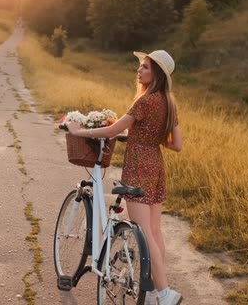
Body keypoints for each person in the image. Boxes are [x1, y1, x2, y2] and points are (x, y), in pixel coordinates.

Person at [66, 50, 183, 305]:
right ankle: (154, 291)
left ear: (157, 74)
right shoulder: (168, 102)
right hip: (156, 166)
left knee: (145, 232)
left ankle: (165, 294)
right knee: (154, 231)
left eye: (145, 67)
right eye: (140, 67)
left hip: (139, 167)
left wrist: (80, 131)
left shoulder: (145, 101)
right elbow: (176, 145)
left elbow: (114, 129)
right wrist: (147, 137)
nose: (139, 71)